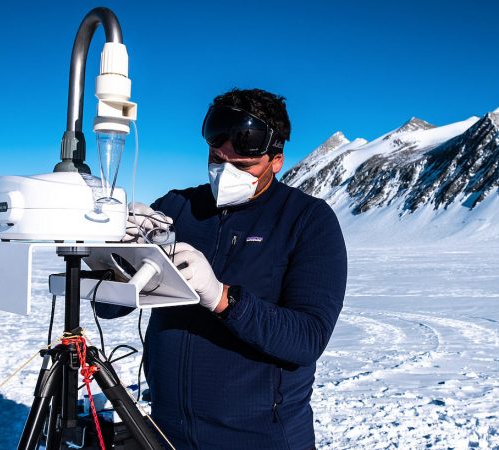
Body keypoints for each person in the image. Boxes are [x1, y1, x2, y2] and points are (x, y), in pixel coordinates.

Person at [101, 88, 348, 450]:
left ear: (276, 160)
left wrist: (221, 297)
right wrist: (119, 258)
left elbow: (307, 339)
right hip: (167, 435)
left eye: (243, 166)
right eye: (217, 160)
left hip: (261, 439)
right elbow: (108, 308)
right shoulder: (177, 207)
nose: (225, 173)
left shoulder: (307, 220)